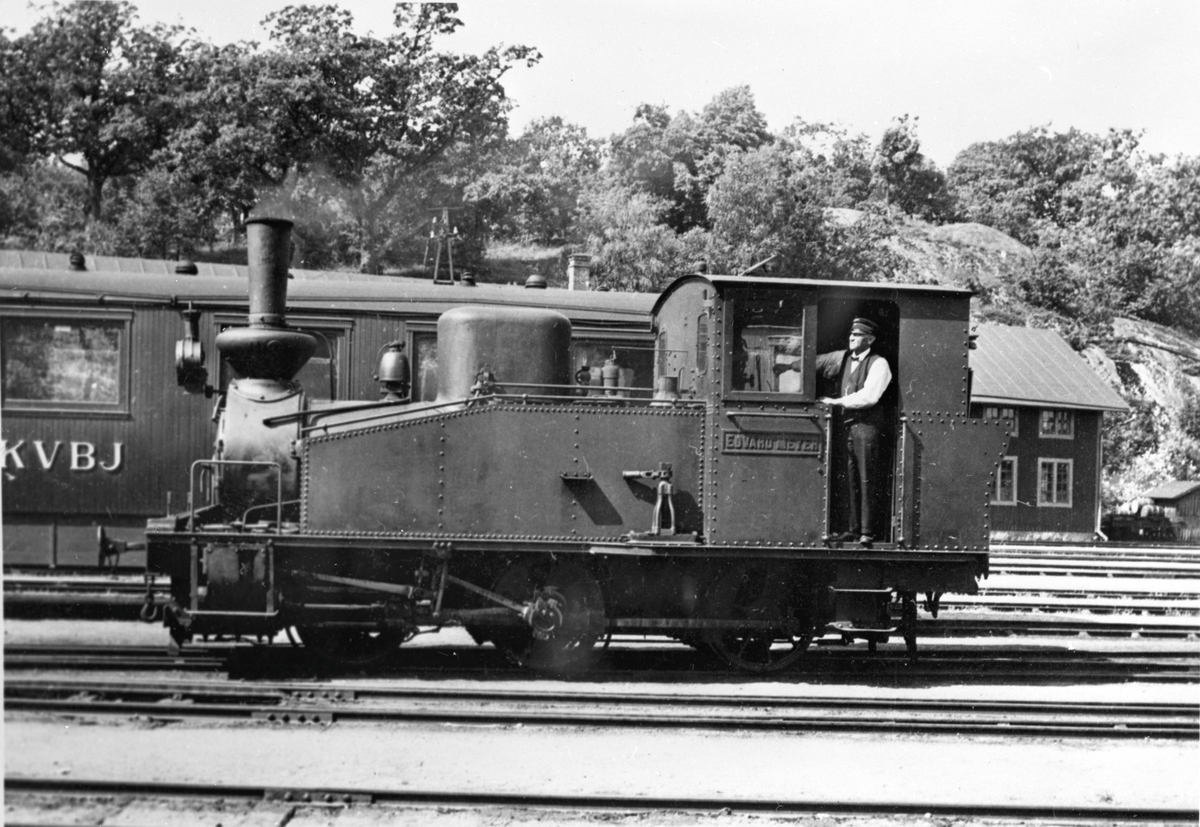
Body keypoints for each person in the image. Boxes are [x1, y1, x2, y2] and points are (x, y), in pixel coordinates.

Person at [817, 317, 893, 546]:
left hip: (866, 427)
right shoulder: (843, 359)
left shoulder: (879, 364)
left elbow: (869, 396)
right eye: (851, 333)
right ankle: (853, 529)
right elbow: (815, 362)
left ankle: (868, 531)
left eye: (858, 335)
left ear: (870, 339)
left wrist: (837, 402)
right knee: (849, 478)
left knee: (867, 478)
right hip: (848, 427)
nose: (852, 337)